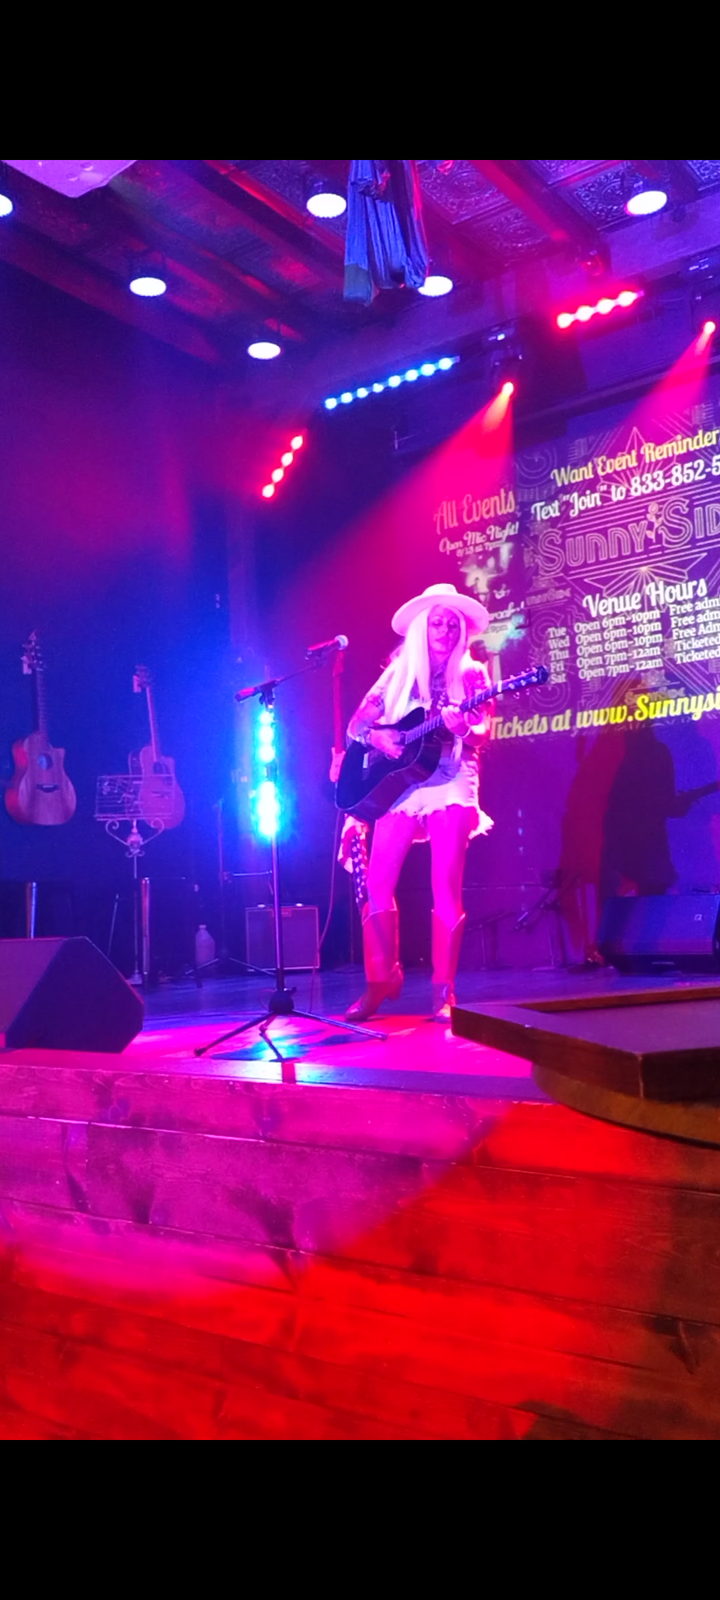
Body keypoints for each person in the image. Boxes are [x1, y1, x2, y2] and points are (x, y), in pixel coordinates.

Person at [345, 582, 492, 1023]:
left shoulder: (472, 673)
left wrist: (462, 727)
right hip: (404, 782)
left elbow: (482, 733)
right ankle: (380, 980)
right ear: (422, 629)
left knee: (444, 883)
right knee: (377, 882)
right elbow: (357, 724)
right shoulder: (396, 674)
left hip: (450, 777)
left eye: (452, 625)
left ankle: (444, 990)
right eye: (437, 624)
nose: (445, 631)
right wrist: (378, 738)